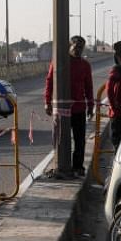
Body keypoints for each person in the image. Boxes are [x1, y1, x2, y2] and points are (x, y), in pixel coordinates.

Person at [44, 35, 95, 176]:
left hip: (79, 109)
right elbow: (49, 82)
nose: (78, 50)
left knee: (79, 141)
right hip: (61, 110)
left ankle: (78, 167)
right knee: (60, 139)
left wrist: (90, 106)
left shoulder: (85, 65)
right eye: (76, 47)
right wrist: (47, 102)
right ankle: (59, 164)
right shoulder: (59, 62)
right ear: (70, 47)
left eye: (81, 48)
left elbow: (89, 87)